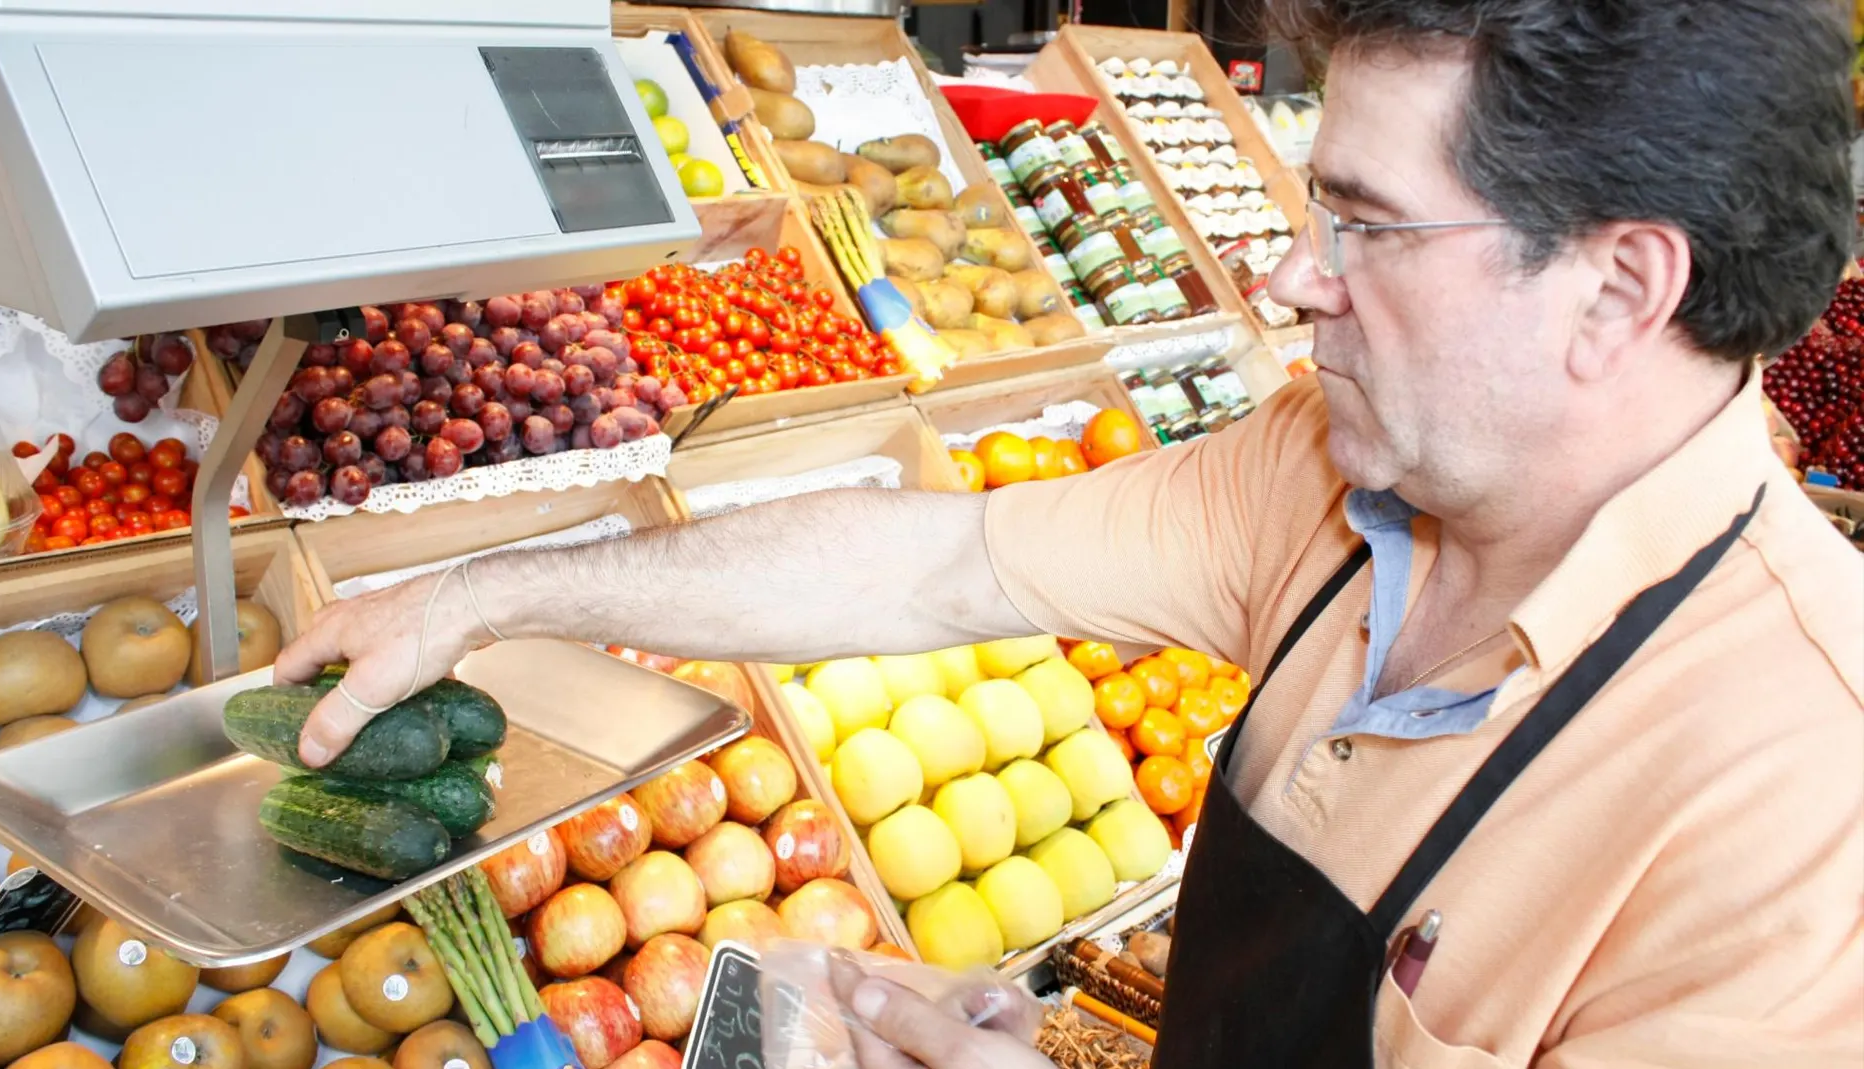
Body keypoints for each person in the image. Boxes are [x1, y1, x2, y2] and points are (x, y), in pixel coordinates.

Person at [276, 0, 1864, 1063]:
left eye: (1367, 224)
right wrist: (484, 595)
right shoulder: (1326, 477)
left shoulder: (1800, 798)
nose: (1295, 277)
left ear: (1619, 287)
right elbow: (936, 558)